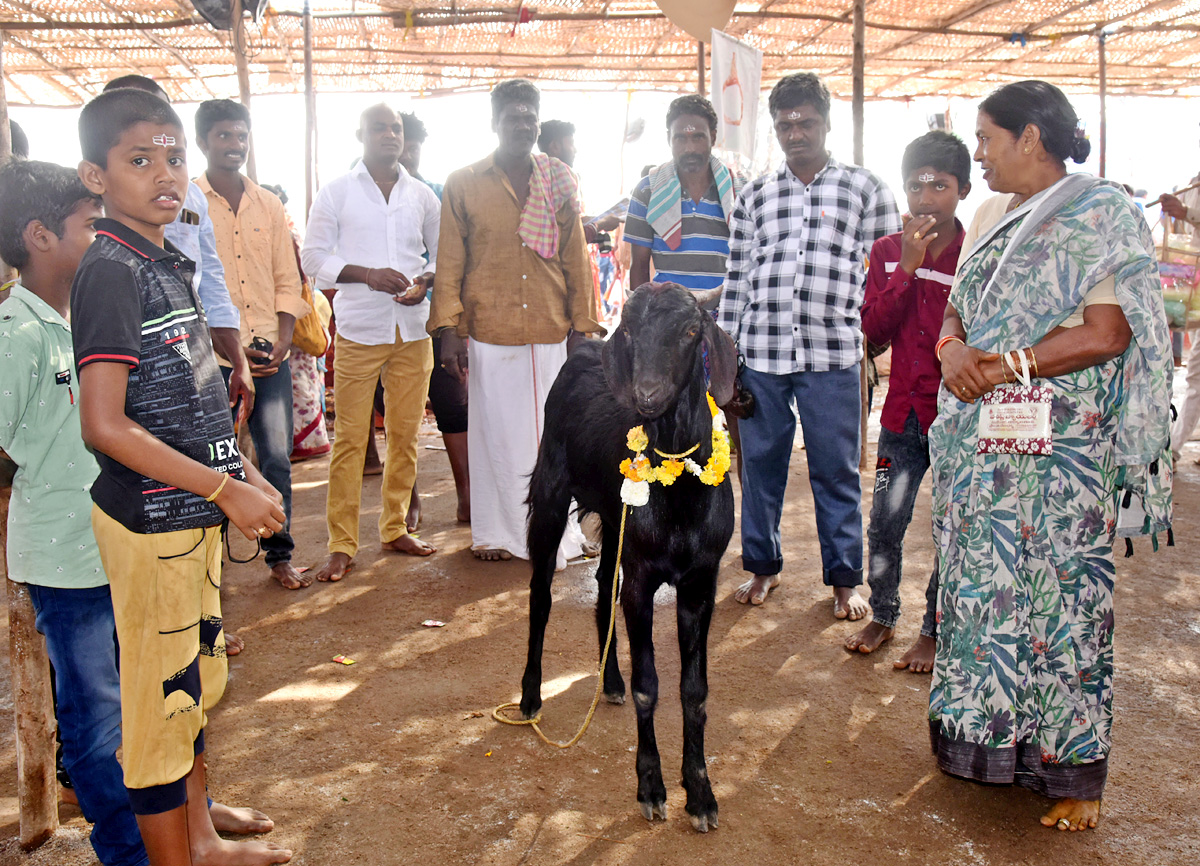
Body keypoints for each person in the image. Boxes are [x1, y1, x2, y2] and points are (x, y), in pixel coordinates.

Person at [930, 80, 1172, 833]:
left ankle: (1073, 775)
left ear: (1029, 136)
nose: (978, 153)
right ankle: (984, 749)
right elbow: (958, 307)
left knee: (1061, 601)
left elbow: (1108, 331)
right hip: (983, 449)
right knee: (982, 594)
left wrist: (1003, 368)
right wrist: (949, 348)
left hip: (1060, 452)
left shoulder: (1098, 213)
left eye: (986, 137)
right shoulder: (989, 214)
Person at [72, 87, 291, 865]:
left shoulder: (161, 256)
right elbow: (104, 423)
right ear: (94, 177)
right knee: (161, 704)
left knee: (191, 681)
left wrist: (237, 470)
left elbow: (183, 395)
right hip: (154, 519)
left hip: (188, 513)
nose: (165, 173)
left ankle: (199, 839)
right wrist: (220, 488)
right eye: (139, 159)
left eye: (174, 156)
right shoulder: (109, 271)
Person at [717, 72, 901, 613]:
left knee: (836, 469)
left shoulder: (866, 189)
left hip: (833, 355)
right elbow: (737, 280)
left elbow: (887, 276)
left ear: (826, 122)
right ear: (775, 128)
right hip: (763, 355)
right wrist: (726, 360)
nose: (795, 133)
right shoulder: (755, 197)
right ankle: (762, 569)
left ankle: (845, 581)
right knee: (760, 467)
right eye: (785, 124)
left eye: (806, 122)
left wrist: (872, 340)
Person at [430, 78, 603, 562]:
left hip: (550, 329)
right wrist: (448, 331)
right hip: (489, 330)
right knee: (496, 436)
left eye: (530, 117)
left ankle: (559, 536)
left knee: (552, 439)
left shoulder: (557, 177)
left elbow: (575, 258)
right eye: (513, 117)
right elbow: (450, 261)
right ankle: (496, 534)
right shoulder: (463, 182)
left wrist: (581, 327)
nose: (523, 124)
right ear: (494, 122)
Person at [843, 131, 971, 671]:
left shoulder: (976, 251)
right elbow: (873, 330)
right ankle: (884, 613)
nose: (925, 198)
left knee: (952, 527)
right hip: (901, 416)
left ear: (961, 190)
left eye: (939, 185)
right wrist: (909, 267)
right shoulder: (888, 251)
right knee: (885, 525)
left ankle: (933, 630)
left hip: (960, 417)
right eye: (916, 185)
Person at [301, 103, 440, 583]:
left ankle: (395, 527)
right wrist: (366, 275)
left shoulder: (422, 195)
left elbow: (442, 257)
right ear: (360, 133)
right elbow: (313, 258)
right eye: (378, 127)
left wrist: (424, 281)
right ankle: (341, 545)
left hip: (413, 329)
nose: (389, 134)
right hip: (360, 329)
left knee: (405, 436)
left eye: (396, 128)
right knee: (351, 440)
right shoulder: (337, 192)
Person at [195, 99, 311, 591]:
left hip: (267, 353)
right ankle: (208, 571)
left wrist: (284, 340)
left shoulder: (269, 204)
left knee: (275, 456)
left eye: (241, 136)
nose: (235, 146)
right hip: (209, 355)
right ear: (203, 142)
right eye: (224, 136)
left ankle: (279, 555)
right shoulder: (188, 201)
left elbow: (288, 279)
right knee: (211, 460)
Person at [400, 111, 470, 523]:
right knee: (401, 413)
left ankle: (466, 495)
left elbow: (456, 256)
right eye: (401, 142)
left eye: (413, 144)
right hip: (385, 326)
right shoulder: (359, 194)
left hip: (438, 317)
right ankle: (410, 499)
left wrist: (429, 278)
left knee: (453, 406)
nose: (407, 152)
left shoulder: (439, 192)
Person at [624, 94, 744, 310]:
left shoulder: (739, 190)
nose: (689, 148)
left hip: (727, 316)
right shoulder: (647, 191)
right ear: (669, 138)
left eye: (698, 137)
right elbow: (639, 266)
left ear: (713, 137)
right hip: (668, 319)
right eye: (680, 138)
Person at [1157, 169, 1200, 459]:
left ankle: (1174, 444)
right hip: (1195, 292)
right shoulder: (1193, 184)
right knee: (1196, 375)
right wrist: (1175, 215)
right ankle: (1173, 444)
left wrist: (1186, 213)